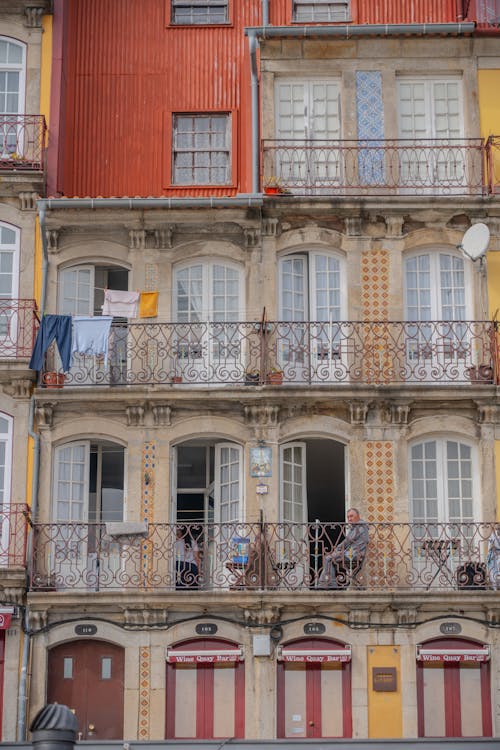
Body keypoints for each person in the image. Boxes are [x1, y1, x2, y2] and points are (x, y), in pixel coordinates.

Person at [319, 507, 369, 589]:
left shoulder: (359, 526)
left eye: (351, 516)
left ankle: (329, 584)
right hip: (352, 553)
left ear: (358, 516)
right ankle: (325, 582)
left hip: (353, 555)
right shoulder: (358, 527)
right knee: (330, 559)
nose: (349, 519)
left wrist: (337, 549)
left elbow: (347, 541)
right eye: (348, 517)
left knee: (328, 558)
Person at [487, 525, 500, 590]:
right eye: (497, 529)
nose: (498, 530)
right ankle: (494, 587)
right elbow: (490, 546)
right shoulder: (492, 536)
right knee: (493, 571)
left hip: (498, 555)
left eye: (498, 529)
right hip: (493, 556)